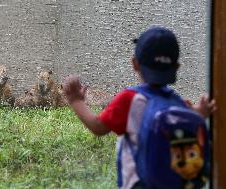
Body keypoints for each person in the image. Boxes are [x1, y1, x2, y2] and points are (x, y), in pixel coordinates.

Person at [63, 26, 216, 189]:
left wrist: (76, 101)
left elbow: (97, 127)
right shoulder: (177, 101)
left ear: (135, 64)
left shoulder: (129, 99)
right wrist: (201, 112)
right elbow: (190, 121)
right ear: (176, 68)